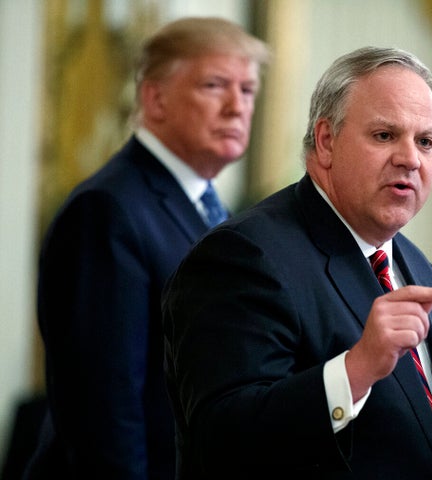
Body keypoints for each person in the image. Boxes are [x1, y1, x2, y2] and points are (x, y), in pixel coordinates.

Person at [162, 46, 432, 479]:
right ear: (326, 141)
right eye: (384, 135)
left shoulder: (418, 270)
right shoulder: (243, 256)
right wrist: (356, 370)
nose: (410, 159)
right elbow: (221, 441)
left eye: (425, 141)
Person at [24, 17, 270, 480]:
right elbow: (103, 404)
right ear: (155, 98)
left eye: (248, 90)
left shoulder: (215, 210)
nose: (237, 107)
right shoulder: (108, 210)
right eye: (215, 85)